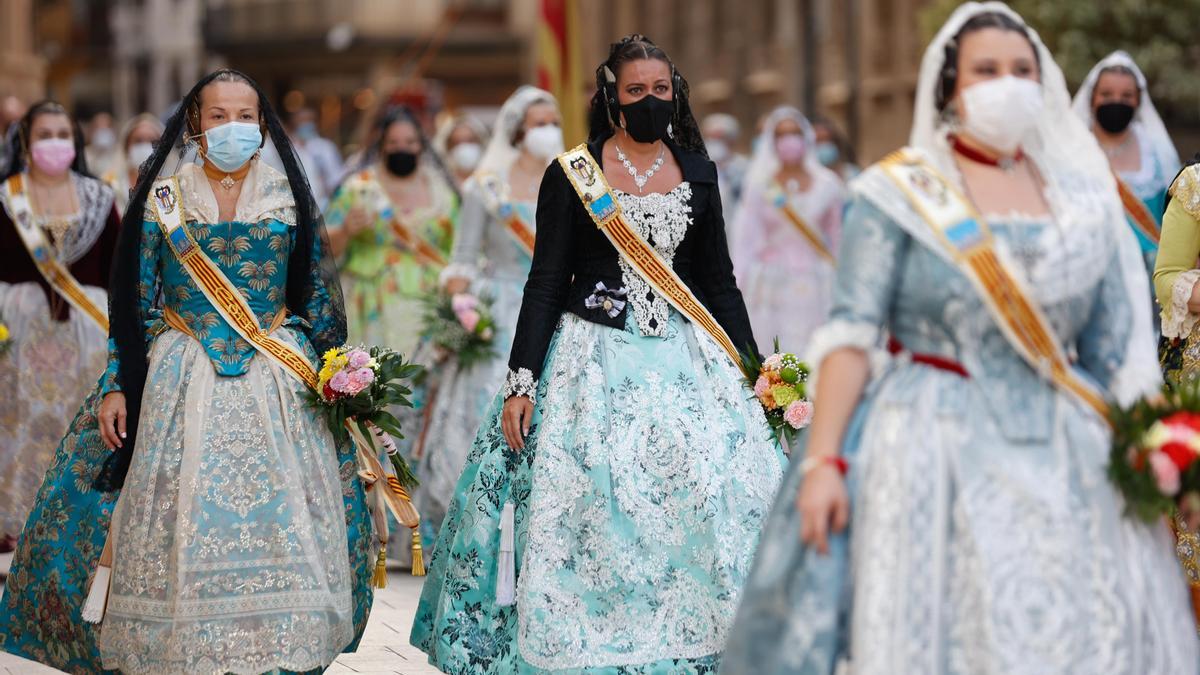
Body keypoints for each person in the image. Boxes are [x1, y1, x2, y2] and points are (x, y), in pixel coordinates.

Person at [721, 4, 1198, 673]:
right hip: (930, 444)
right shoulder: (899, 194)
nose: (1008, 83)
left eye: (1022, 69)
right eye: (986, 70)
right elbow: (852, 335)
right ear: (949, 86)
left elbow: (1120, 354)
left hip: (1070, 451)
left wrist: (1166, 455)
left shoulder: (1086, 202)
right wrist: (824, 461)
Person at [411, 35, 784, 672]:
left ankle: (699, 636)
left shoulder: (698, 171)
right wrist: (522, 381)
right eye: (636, 91)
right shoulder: (573, 174)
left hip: (685, 356)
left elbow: (718, 280)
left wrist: (756, 371)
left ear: (676, 94)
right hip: (592, 359)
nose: (650, 101)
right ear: (612, 96)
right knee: (592, 503)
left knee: (709, 493)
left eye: (661, 91)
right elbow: (547, 281)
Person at [0, 69, 375, 674]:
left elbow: (313, 295)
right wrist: (121, 382)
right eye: (219, 115)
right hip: (181, 370)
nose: (233, 127)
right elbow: (137, 302)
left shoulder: (286, 196)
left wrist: (339, 376)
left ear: (262, 124)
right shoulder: (165, 198)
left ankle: (277, 645)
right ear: (196, 123)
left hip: (275, 372)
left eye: (246, 116)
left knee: (288, 519)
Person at [414, 85, 560, 542]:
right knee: (486, 411)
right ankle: (479, 521)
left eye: (553, 122)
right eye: (539, 123)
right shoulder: (486, 187)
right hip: (499, 311)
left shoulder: (575, 180)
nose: (548, 131)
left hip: (556, 307)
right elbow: (462, 257)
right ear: (517, 131)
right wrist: (460, 308)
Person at [0, 100, 120, 553]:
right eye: (44, 135)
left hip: (87, 341)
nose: (55, 143)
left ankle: (83, 521)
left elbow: (120, 272)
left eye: (63, 134)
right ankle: (17, 526)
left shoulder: (99, 198)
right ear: (26, 144)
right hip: (19, 339)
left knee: (83, 425)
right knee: (20, 428)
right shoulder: (6, 196)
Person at [325, 107, 458, 357]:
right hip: (368, 306)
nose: (402, 148)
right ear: (382, 146)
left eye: (409, 142)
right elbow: (321, 243)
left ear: (421, 145)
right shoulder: (359, 188)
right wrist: (345, 231)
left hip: (427, 307)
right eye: (394, 142)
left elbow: (459, 248)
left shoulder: (442, 193)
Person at [1073, 51, 1180, 332]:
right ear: (1092, 98)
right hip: (1088, 278)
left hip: (1148, 283)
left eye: (1126, 95)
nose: (1116, 102)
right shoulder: (1072, 150)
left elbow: (1176, 216)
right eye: (1106, 94)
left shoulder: (1156, 151)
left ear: (1138, 101)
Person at [732, 106, 844, 357]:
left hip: (818, 282)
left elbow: (838, 238)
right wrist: (739, 283)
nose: (788, 140)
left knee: (817, 354)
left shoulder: (829, 185)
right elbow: (746, 238)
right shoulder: (760, 186)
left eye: (794, 133)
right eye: (781, 135)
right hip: (771, 284)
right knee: (775, 357)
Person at [102, 112, 164, 213]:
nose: (146, 146)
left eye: (153, 141)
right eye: (138, 141)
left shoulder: (175, 183)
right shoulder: (109, 184)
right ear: (126, 147)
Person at [288, 107, 344, 210]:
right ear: (294, 123)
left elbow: (336, 179)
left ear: (315, 123)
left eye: (308, 120)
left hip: (323, 208)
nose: (305, 124)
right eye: (301, 121)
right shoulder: (288, 148)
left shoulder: (326, 148)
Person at [702, 112, 749, 219]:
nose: (715, 142)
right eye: (712, 138)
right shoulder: (699, 167)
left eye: (720, 138)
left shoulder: (743, 166)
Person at [433, 112, 490, 187]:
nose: (464, 147)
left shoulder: (491, 181)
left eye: (470, 140)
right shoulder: (440, 184)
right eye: (458, 142)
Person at [811, 115, 860, 182]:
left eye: (828, 140)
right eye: (819, 141)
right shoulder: (808, 178)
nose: (824, 145)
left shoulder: (852, 173)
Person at [84, 112, 118, 179]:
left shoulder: (121, 154)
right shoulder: (84, 154)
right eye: (98, 127)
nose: (102, 131)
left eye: (106, 127)